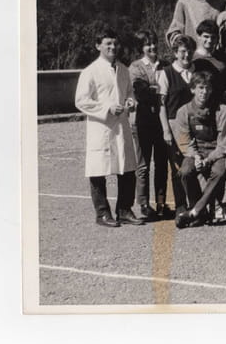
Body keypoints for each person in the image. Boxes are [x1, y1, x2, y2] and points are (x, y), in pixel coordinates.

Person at [74, 29, 143, 227]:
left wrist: (130, 101)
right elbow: (81, 101)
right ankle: (102, 213)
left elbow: (129, 92)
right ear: (98, 46)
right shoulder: (90, 71)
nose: (113, 47)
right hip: (101, 127)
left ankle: (124, 210)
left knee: (127, 167)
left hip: (121, 126)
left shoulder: (123, 69)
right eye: (108, 44)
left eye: (115, 43)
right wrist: (107, 108)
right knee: (98, 169)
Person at [172, 72, 226, 228]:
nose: (204, 92)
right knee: (185, 171)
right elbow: (184, 142)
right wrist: (196, 157)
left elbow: (223, 144)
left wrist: (208, 160)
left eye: (207, 88)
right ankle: (199, 210)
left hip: (216, 152)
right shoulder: (183, 112)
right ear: (193, 89)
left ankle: (195, 211)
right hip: (195, 152)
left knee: (219, 171)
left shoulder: (222, 110)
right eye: (200, 88)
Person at [128, 30, 169, 221]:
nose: (152, 47)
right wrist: (158, 91)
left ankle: (161, 203)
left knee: (162, 165)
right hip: (142, 122)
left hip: (161, 122)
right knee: (143, 165)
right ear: (141, 48)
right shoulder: (136, 67)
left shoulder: (165, 65)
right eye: (147, 44)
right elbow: (140, 92)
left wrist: (154, 90)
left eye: (153, 43)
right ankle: (144, 204)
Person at [156, 35, 196, 216]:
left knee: (193, 163)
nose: (186, 55)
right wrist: (166, 130)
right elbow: (161, 105)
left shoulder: (196, 71)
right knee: (177, 167)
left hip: (194, 123)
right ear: (175, 53)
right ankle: (180, 204)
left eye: (189, 51)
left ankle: (196, 204)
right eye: (182, 51)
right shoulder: (166, 73)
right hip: (174, 125)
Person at [193, 19, 226, 99]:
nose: (210, 40)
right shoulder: (191, 58)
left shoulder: (223, 57)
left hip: (221, 99)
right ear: (198, 36)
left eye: (213, 37)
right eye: (206, 36)